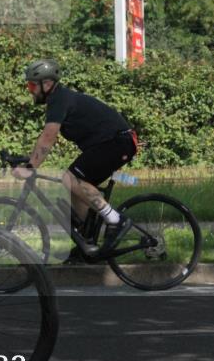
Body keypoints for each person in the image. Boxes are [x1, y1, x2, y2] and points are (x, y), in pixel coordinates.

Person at [13, 59, 138, 263]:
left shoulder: (59, 99)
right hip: (111, 143)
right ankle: (86, 245)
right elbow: (45, 139)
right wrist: (28, 160)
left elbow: (48, 137)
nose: (30, 90)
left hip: (117, 142)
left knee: (70, 179)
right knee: (77, 191)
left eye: (31, 85)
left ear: (47, 84)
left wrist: (30, 167)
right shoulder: (60, 99)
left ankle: (116, 219)